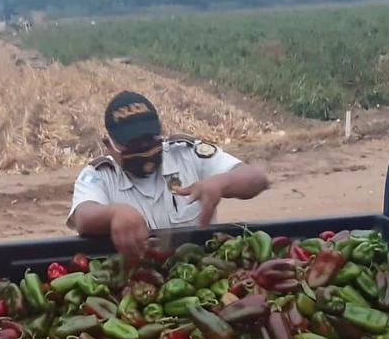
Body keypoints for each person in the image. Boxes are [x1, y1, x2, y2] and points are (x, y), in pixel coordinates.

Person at [69, 91, 269, 257]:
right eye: (132, 143)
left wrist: (222, 182)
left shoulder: (187, 153)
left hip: (201, 267)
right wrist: (113, 214)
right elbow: (83, 216)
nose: (143, 148)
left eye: (149, 139)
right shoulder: (99, 175)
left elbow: (256, 178)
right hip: (139, 276)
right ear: (109, 145)